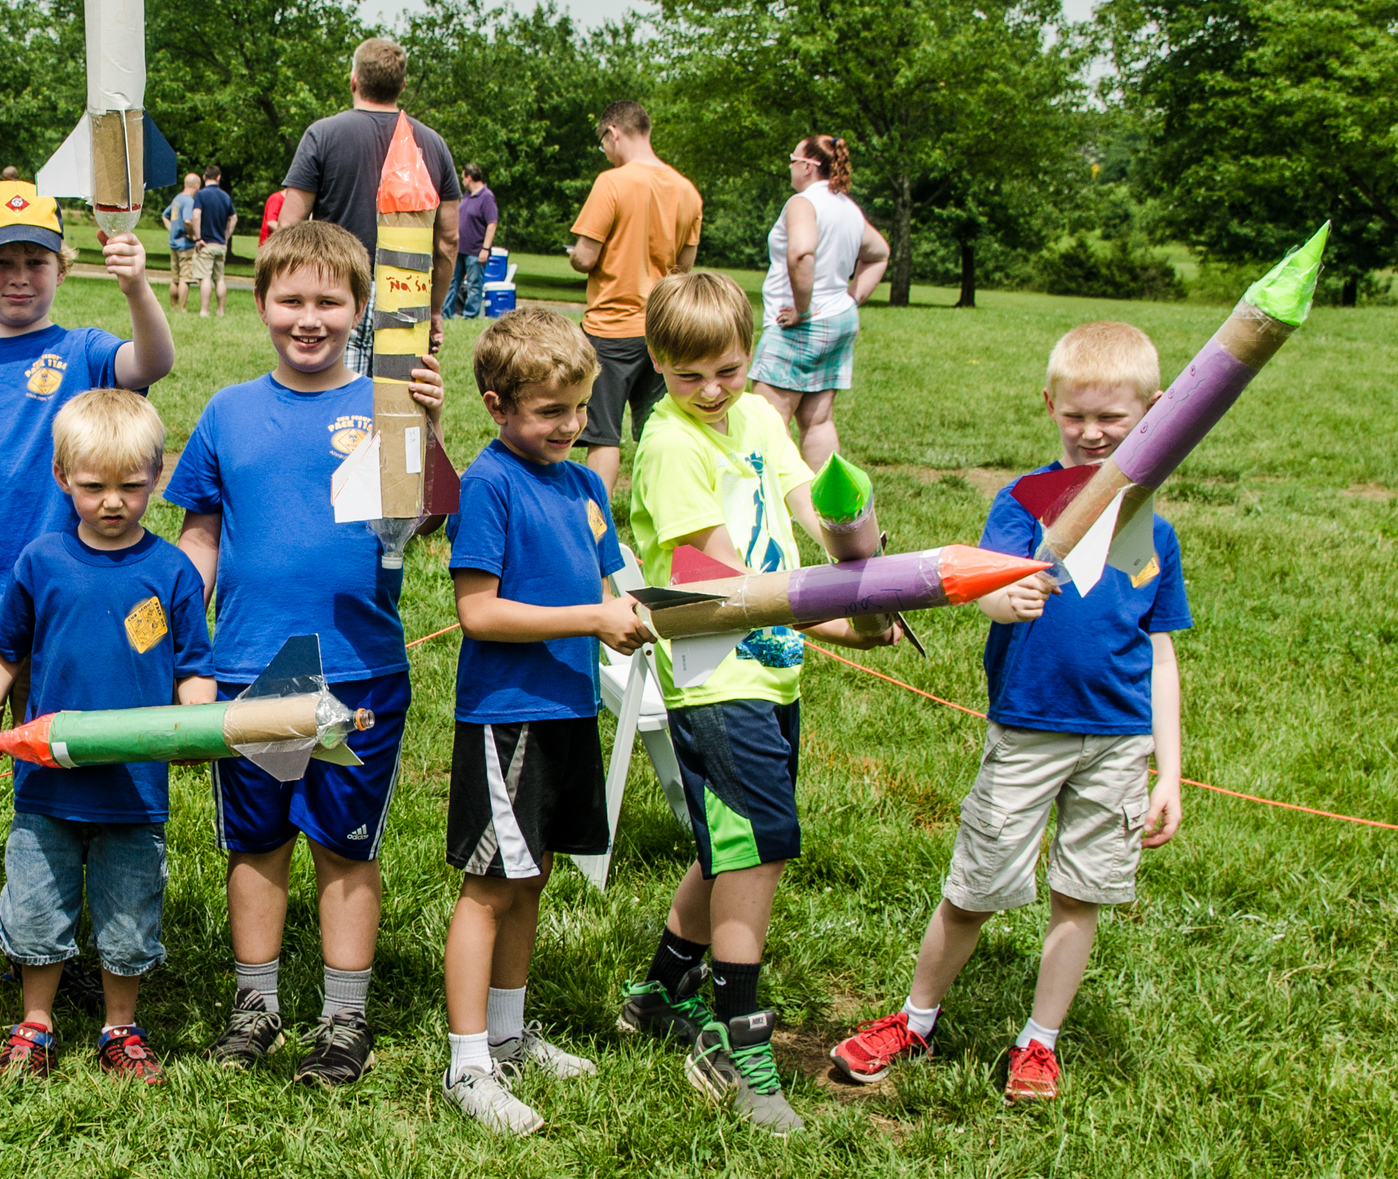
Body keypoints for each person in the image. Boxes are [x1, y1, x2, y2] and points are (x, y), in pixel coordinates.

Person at [829, 322, 1187, 1105]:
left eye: (1112, 419)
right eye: (1075, 416)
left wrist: (1171, 769)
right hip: (1027, 729)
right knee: (974, 889)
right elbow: (981, 586)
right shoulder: (1024, 502)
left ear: (1155, 412)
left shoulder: (1147, 524)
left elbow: (1160, 653)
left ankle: (1040, 1043)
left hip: (1118, 743)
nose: (1091, 433)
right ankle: (917, 1018)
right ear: (1050, 405)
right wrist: (1004, 596)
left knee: (1080, 895)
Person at [614, 272, 900, 1134]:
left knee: (733, 841)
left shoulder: (760, 417)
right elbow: (731, 577)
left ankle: (659, 994)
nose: (711, 391)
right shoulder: (670, 446)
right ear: (659, 362)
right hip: (717, 675)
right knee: (755, 853)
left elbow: (809, 503)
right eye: (689, 374)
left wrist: (862, 562)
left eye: (729, 372)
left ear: (751, 359)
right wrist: (846, 624)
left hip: (769, 669)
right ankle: (742, 1049)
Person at [167, 221, 443, 1086]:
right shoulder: (227, 412)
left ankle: (344, 1017)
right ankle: (255, 1006)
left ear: (361, 310)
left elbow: (426, 523)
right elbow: (199, 537)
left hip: (358, 667)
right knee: (255, 843)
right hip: (251, 665)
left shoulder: (385, 404)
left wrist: (425, 429)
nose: (310, 317)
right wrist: (189, 650)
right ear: (261, 304)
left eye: (330, 301)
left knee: (345, 845)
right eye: (291, 299)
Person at [0, 177, 174, 1042]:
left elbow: (155, 365)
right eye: (1, 262)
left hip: (75, 606)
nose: (19, 277)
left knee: (81, 783)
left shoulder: (87, 348)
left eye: (36, 260)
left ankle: (71, 947)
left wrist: (138, 282)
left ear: (62, 266)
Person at [0, 389, 215, 1083]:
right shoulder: (41, 562)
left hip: (134, 787)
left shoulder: (171, 572)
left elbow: (193, 665)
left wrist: (202, 723)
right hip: (47, 780)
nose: (113, 502)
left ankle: (120, 1025)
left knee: (130, 908)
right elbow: (6, 649)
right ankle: (36, 1021)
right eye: (94, 486)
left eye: (132, 487)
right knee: (38, 904)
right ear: (61, 478)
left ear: (157, 476)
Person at [439, 310, 648, 1134]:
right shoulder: (489, 484)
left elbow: (612, 581)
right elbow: (479, 613)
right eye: (549, 412)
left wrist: (636, 608)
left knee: (534, 875)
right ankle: (466, 1064)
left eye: (580, 408)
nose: (570, 427)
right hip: (507, 716)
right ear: (497, 404)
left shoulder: (587, 485)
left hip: (568, 708)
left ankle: (511, 1034)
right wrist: (592, 620)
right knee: (491, 885)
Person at [273, 37, 464, 370]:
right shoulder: (435, 144)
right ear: (402, 85)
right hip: (410, 288)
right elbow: (448, 242)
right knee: (401, 411)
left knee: (341, 405)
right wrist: (434, 309)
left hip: (340, 289)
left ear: (354, 79)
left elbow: (289, 226)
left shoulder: (322, 135)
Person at [568, 101, 702, 493]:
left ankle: (598, 526)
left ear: (613, 133)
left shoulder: (612, 183)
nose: (605, 153)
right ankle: (663, 510)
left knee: (603, 435)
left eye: (602, 144)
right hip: (663, 328)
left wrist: (576, 257)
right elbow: (684, 267)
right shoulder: (687, 191)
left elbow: (586, 255)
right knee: (657, 430)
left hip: (611, 326)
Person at [751, 134, 890, 470]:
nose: (790, 166)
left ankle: (774, 507)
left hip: (798, 326)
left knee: (767, 423)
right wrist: (851, 299)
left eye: (792, 159)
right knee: (818, 421)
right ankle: (831, 512)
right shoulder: (848, 208)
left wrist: (802, 309)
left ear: (808, 167)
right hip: (838, 323)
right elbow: (880, 253)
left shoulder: (803, 203)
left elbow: (800, 253)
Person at [443, 166, 500, 320]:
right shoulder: (467, 196)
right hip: (460, 249)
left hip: (475, 251)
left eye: (463, 177)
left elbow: (492, 224)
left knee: (474, 285)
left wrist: (485, 248)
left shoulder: (486, 197)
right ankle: (445, 313)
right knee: (452, 282)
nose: (462, 181)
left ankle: (470, 315)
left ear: (469, 177)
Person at [192, 167, 238, 318]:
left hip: (206, 243)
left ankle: (204, 311)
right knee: (219, 279)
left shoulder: (201, 195)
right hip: (220, 244)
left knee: (205, 278)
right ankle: (220, 311)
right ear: (219, 177)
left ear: (204, 177)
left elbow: (196, 216)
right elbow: (234, 218)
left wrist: (198, 238)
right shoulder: (225, 197)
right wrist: (226, 236)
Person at [164, 171, 204, 309]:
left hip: (173, 243)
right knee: (184, 278)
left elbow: (165, 215)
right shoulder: (189, 201)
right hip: (185, 244)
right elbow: (188, 221)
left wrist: (172, 230)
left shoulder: (177, 199)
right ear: (197, 185)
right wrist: (193, 235)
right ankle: (182, 308)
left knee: (174, 278)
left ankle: (173, 306)